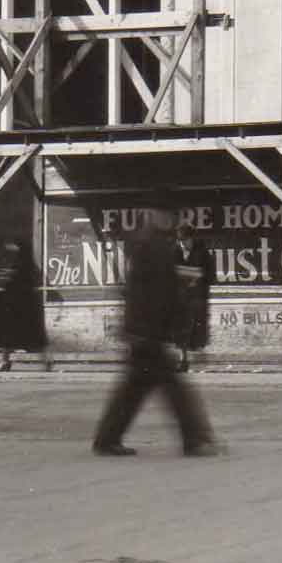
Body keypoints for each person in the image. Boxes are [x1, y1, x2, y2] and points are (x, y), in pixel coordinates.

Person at [92, 196, 217, 457]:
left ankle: (107, 439)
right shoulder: (152, 244)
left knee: (134, 389)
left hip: (144, 330)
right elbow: (152, 292)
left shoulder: (150, 242)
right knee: (172, 388)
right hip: (147, 330)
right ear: (156, 214)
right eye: (167, 214)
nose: (171, 219)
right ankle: (195, 440)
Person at [0, 238, 52, 372]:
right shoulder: (23, 265)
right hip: (20, 304)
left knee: (12, 333)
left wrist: (5, 279)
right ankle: (45, 361)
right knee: (23, 334)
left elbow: (12, 282)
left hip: (20, 304)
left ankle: (6, 362)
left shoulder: (21, 266)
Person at [173, 224, 215, 372]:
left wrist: (197, 278)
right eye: (180, 241)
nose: (182, 244)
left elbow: (211, 275)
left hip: (198, 297)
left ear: (192, 239)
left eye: (185, 240)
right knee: (181, 328)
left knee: (196, 329)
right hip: (180, 297)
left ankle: (199, 356)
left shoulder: (202, 253)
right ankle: (183, 360)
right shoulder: (175, 252)